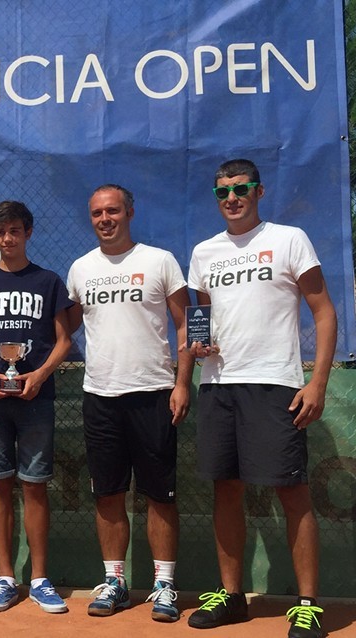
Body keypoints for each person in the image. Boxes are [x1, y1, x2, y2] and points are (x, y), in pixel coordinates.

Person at [187, 159, 336, 638]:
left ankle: (307, 604)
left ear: (259, 191)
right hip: (217, 386)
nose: (232, 198)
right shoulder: (204, 252)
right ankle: (231, 596)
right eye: (223, 192)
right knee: (225, 490)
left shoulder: (289, 238)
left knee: (292, 492)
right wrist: (197, 345)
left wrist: (317, 383)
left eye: (241, 188)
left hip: (275, 384)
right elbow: (201, 321)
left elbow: (324, 311)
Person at [66, 184, 193, 622]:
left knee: (160, 495)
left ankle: (164, 585)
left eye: (113, 211)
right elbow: (66, 326)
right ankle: (115, 581)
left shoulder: (159, 260)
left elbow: (185, 324)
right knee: (108, 493)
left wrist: (182, 383)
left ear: (130, 213)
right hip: (99, 397)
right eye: (98, 213)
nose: (105, 219)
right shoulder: (81, 268)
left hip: (154, 394)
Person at [0, 201, 72, 614]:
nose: (8, 239)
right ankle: (5, 577)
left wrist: (39, 375)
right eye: (1, 232)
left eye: (15, 231)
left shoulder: (47, 281)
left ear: (28, 233)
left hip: (36, 397)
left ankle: (40, 578)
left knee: (35, 484)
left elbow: (63, 341)